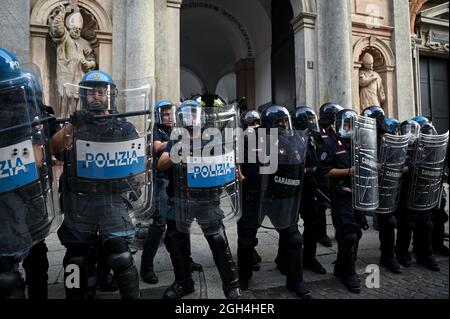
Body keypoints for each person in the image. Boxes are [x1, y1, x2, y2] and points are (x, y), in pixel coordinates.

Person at [51, 70, 145, 299]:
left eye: (101, 91)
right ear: (83, 95)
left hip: (111, 201)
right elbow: (55, 151)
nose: (96, 96)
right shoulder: (74, 126)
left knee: (121, 257)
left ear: (109, 95)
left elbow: (137, 164)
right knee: (76, 260)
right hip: (80, 202)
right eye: (91, 91)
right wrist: (71, 126)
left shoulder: (124, 127)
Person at [159, 99, 241, 299]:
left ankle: (232, 286)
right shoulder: (175, 139)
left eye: (194, 114)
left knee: (218, 239)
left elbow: (226, 165)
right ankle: (183, 282)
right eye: (186, 114)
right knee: (175, 240)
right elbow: (161, 164)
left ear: (201, 116)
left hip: (207, 200)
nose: (191, 118)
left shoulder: (213, 140)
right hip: (180, 199)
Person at [0, 48, 59, 299]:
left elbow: (39, 156)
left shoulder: (30, 115)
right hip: (23, 197)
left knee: (21, 264)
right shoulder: (27, 112)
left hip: (26, 194)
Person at [259, 105, 312, 299]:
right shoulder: (254, 141)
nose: (284, 126)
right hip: (258, 198)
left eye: (285, 122)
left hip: (282, 197)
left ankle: (295, 281)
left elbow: (300, 164)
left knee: (294, 238)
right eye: (280, 123)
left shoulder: (293, 142)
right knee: (246, 238)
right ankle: (242, 277)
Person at [317, 109, 367, 293]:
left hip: (358, 194)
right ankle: (349, 273)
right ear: (338, 125)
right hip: (340, 195)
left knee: (358, 233)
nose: (349, 128)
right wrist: (348, 171)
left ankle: (341, 266)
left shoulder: (358, 143)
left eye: (351, 125)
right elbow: (323, 171)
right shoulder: (330, 144)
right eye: (346, 124)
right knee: (348, 235)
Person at [395, 119, 445, 272]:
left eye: (412, 131)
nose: (410, 135)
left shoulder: (424, 149)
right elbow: (392, 171)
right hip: (404, 193)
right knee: (406, 224)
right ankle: (402, 253)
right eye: (406, 131)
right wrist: (406, 167)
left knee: (426, 224)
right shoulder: (398, 149)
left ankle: (425, 254)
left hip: (422, 192)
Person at [362, 106, 406, 274]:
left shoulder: (388, 139)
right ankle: (346, 263)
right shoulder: (359, 139)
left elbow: (397, 162)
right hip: (362, 187)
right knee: (351, 230)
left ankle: (388, 256)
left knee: (388, 222)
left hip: (384, 187)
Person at [291, 106, 327, 274]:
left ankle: (309, 258)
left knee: (312, 224)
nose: (314, 125)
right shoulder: (290, 140)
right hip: (294, 189)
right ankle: (284, 260)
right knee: (289, 227)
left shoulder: (314, 138)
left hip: (310, 188)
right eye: (310, 121)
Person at [237, 109, 263, 291]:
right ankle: (244, 275)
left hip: (265, 191)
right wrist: (240, 177)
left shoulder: (267, 139)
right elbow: (236, 163)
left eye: (257, 122)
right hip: (249, 192)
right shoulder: (241, 139)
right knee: (245, 236)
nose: (255, 126)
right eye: (252, 122)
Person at [316, 103, 344, 248]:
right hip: (321, 172)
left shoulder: (333, 131)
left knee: (334, 204)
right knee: (321, 205)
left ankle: (338, 231)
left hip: (333, 172)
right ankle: (321, 234)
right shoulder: (317, 130)